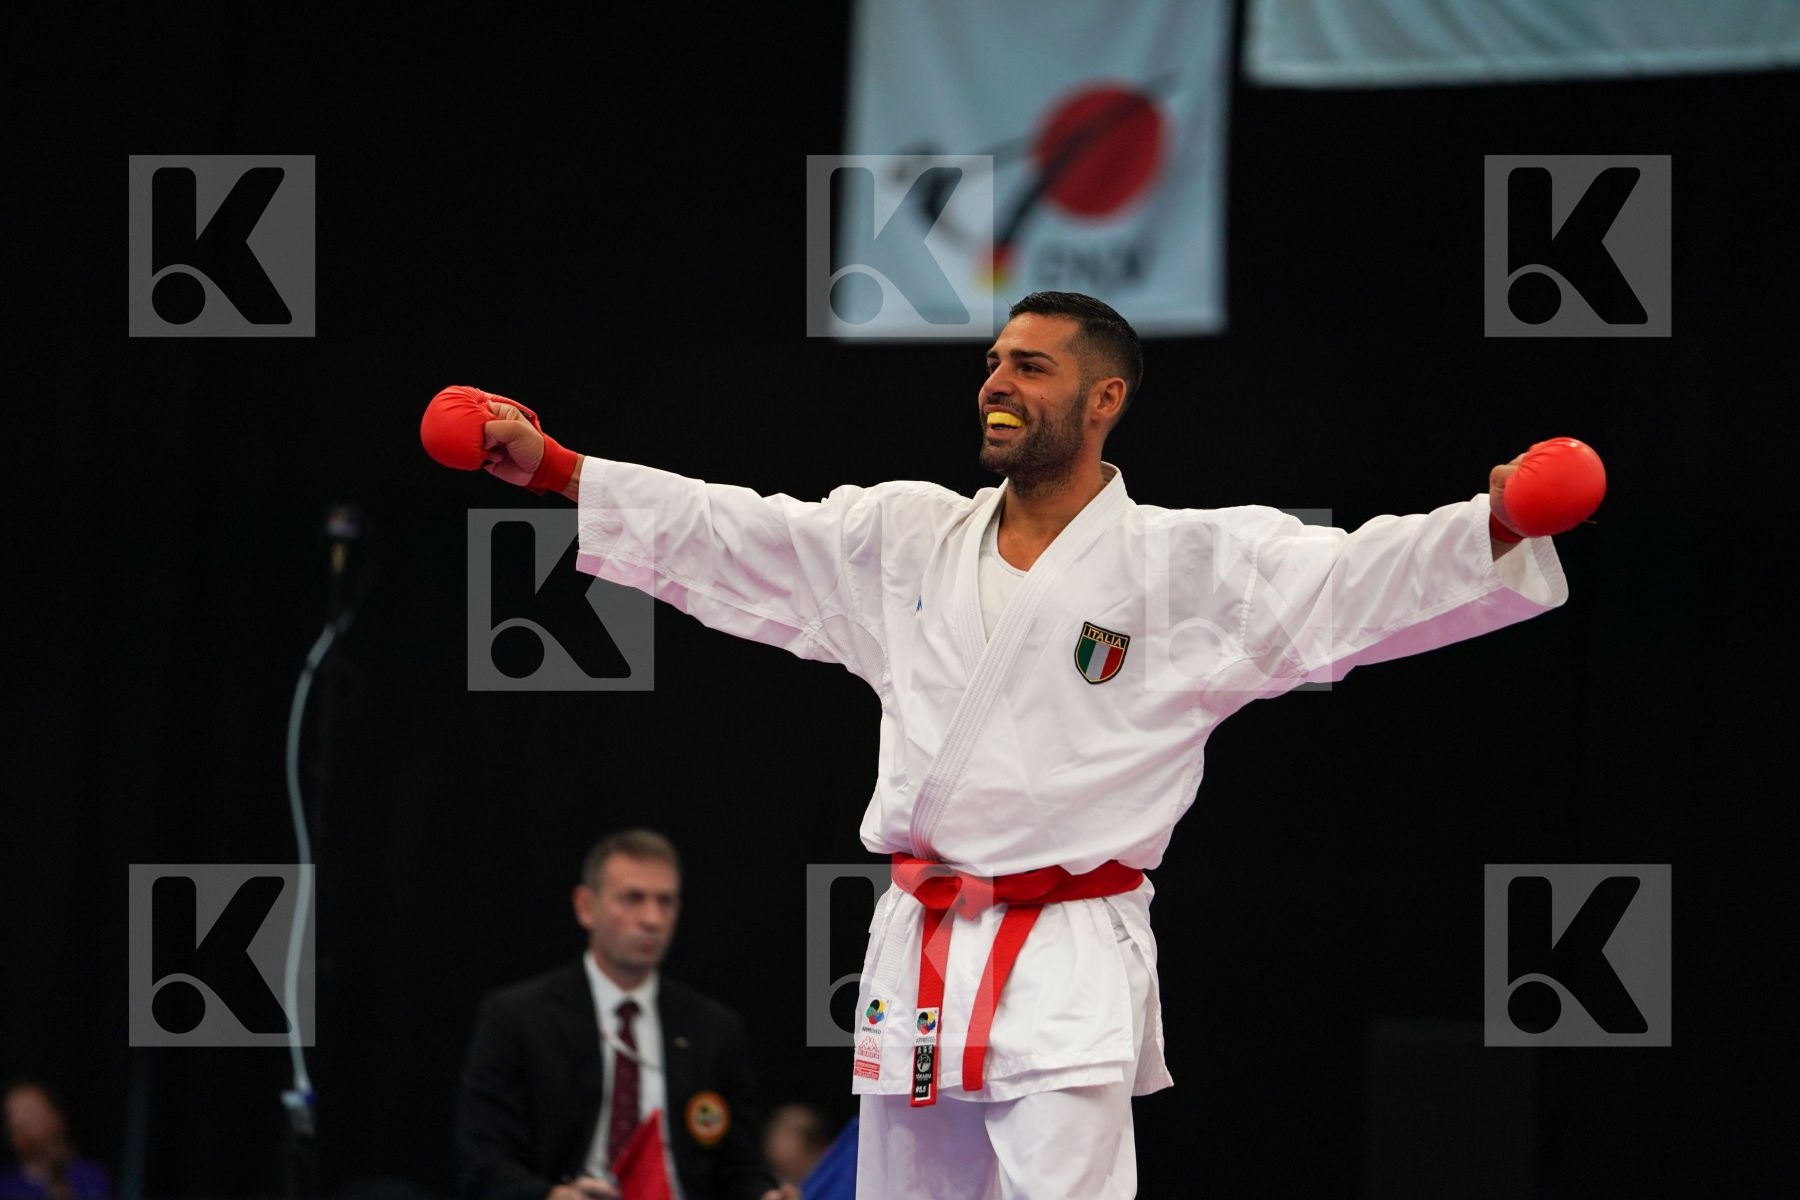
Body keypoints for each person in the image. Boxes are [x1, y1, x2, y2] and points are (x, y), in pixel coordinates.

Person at [432, 290, 1580, 1199]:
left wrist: (1497, 524)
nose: (995, 383)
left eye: (1030, 366)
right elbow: (744, 532)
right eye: (991, 362)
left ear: (1104, 399)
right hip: (920, 943)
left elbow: (1349, 580)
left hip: (1071, 943)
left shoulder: (1186, 565)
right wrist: (562, 469)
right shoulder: (905, 536)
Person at [455, 830, 794, 1200]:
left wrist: (765, 1195)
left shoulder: (713, 1029)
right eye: (632, 899)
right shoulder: (518, 1019)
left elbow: (739, 1168)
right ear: (586, 906)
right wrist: (551, 1196)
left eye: (666, 902)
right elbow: (483, 1164)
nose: (652, 918)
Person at [0, 1082, 112, 1200]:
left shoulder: (92, 1178)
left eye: (28, 1111)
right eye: (11, 1114)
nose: (17, 1121)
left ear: (55, 1118)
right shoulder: (5, 1187)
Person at [760, 1104, 831, 1190]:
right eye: (773, 1129)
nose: (772, 1137)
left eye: (785, 1133)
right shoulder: (765, 1184)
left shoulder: (831, 1182)